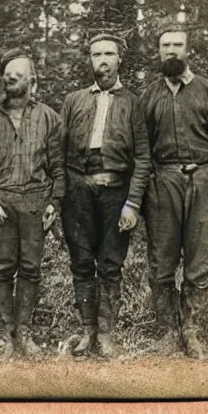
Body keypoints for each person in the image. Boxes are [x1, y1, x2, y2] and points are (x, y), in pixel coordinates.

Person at [138, 21, 208, 359]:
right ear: (158, 52)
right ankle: (167, 331)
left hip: (204, 183)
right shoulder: (148, 96)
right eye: (165, 46)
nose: (171, 51)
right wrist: (143, 196)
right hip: (163, 185)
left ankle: (192, 332)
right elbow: (141, 149)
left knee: (198, 263)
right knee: (161, 262)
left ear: (188, 50)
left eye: (177, 45)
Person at [60, 33, 151, 357]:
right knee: (82, 262)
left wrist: (133, 203)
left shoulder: (134, 103)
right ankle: (87, 331)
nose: (102, 60)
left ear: (119, 59)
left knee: (110, 265)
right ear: (90, 59)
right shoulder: (74, 101)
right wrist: (60, 196)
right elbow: (58, 151)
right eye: (96, 54)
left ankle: (107, 335)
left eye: (108, 53)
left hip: (116, 193)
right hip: (78, 194)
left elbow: (143, 157)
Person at [0, 48, 64, 359]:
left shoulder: (48, 116)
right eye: (8, 72)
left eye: (19, 72)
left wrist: (55, 202)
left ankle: (24, 332)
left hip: (35, 203)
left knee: (31, 268)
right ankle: (6, 334)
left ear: (32, 79)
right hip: (2, 203)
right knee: (2, 269)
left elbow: (58, 166)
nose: (12, 77)